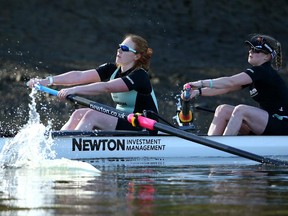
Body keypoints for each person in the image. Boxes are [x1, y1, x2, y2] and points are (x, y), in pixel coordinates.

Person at [27, 34, 158, 134]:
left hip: (145, 125)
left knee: (92, 115)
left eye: (124, 48)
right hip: (123, 118)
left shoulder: (140, 76)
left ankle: (72, 146)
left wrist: (74, 90)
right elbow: (80, 75)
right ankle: (59, 144)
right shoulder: (112, 69)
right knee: (78, 114)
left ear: (137, 56)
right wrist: (46, 81)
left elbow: (107, 87)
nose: (119, 50)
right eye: (119, 46)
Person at [182, 34, 288, 136]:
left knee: (241, 110)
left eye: (256, 50)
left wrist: (200, 83)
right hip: (266, 123)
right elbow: (225, 88)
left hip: (281, 125)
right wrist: (197, 92)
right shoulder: (257, 75)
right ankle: (211, 145)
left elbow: (230, 81)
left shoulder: (263, 71)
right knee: (222, 110)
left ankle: (225, 147)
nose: (251, 52)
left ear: (267, 56)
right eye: (250, 49)